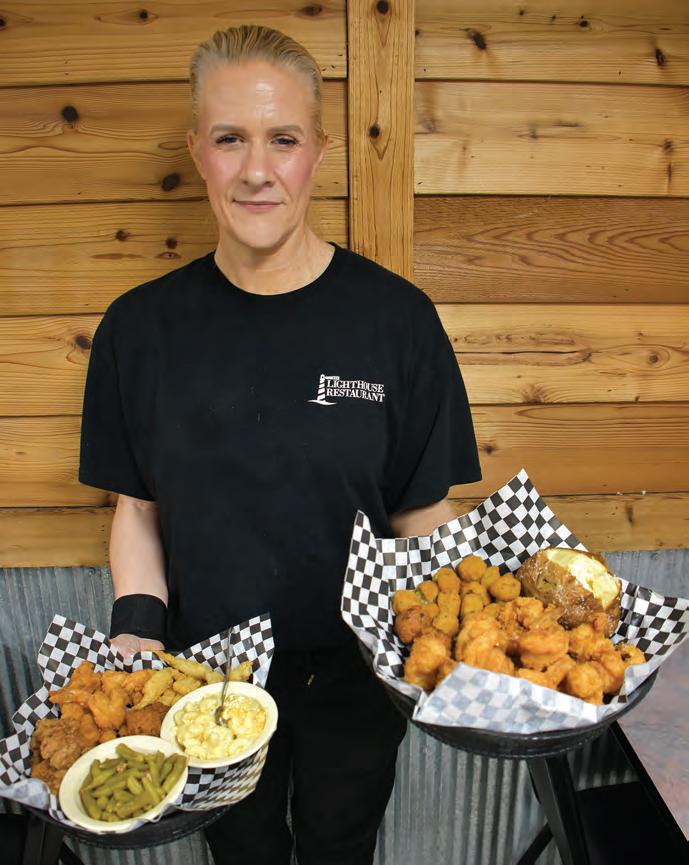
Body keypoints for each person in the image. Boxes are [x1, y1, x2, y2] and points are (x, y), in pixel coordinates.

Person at [78, 24, 481, 865]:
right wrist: (136, 633)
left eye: (283, 139)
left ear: (319, 152)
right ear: (197, 150)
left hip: (358, 674)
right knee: (242, 854)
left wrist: (468, 631)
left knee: (342, 844)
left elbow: (420, 508)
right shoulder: (138, 330)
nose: (256, 169)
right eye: (230, 138)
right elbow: (137, 509)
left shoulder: (397, 321)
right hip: (210, 677)